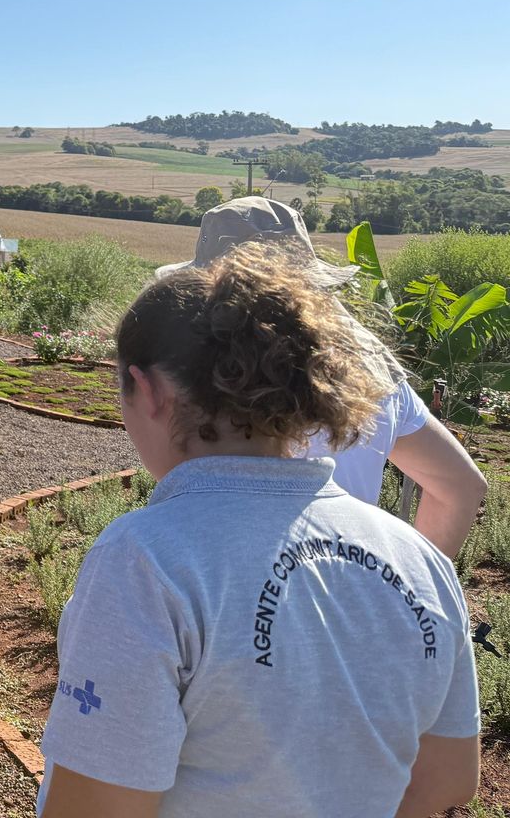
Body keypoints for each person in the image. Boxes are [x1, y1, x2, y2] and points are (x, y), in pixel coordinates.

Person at [38, 243, 479, 817]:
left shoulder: (145, 559)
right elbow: (449, 778)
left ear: (148, 391)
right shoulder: (420, 560)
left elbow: (94, 808)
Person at [159, 196, 486, 556]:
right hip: (346, 582)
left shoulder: (213, 377)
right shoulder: (374, 367)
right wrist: (407, 581)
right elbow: (461, 486)